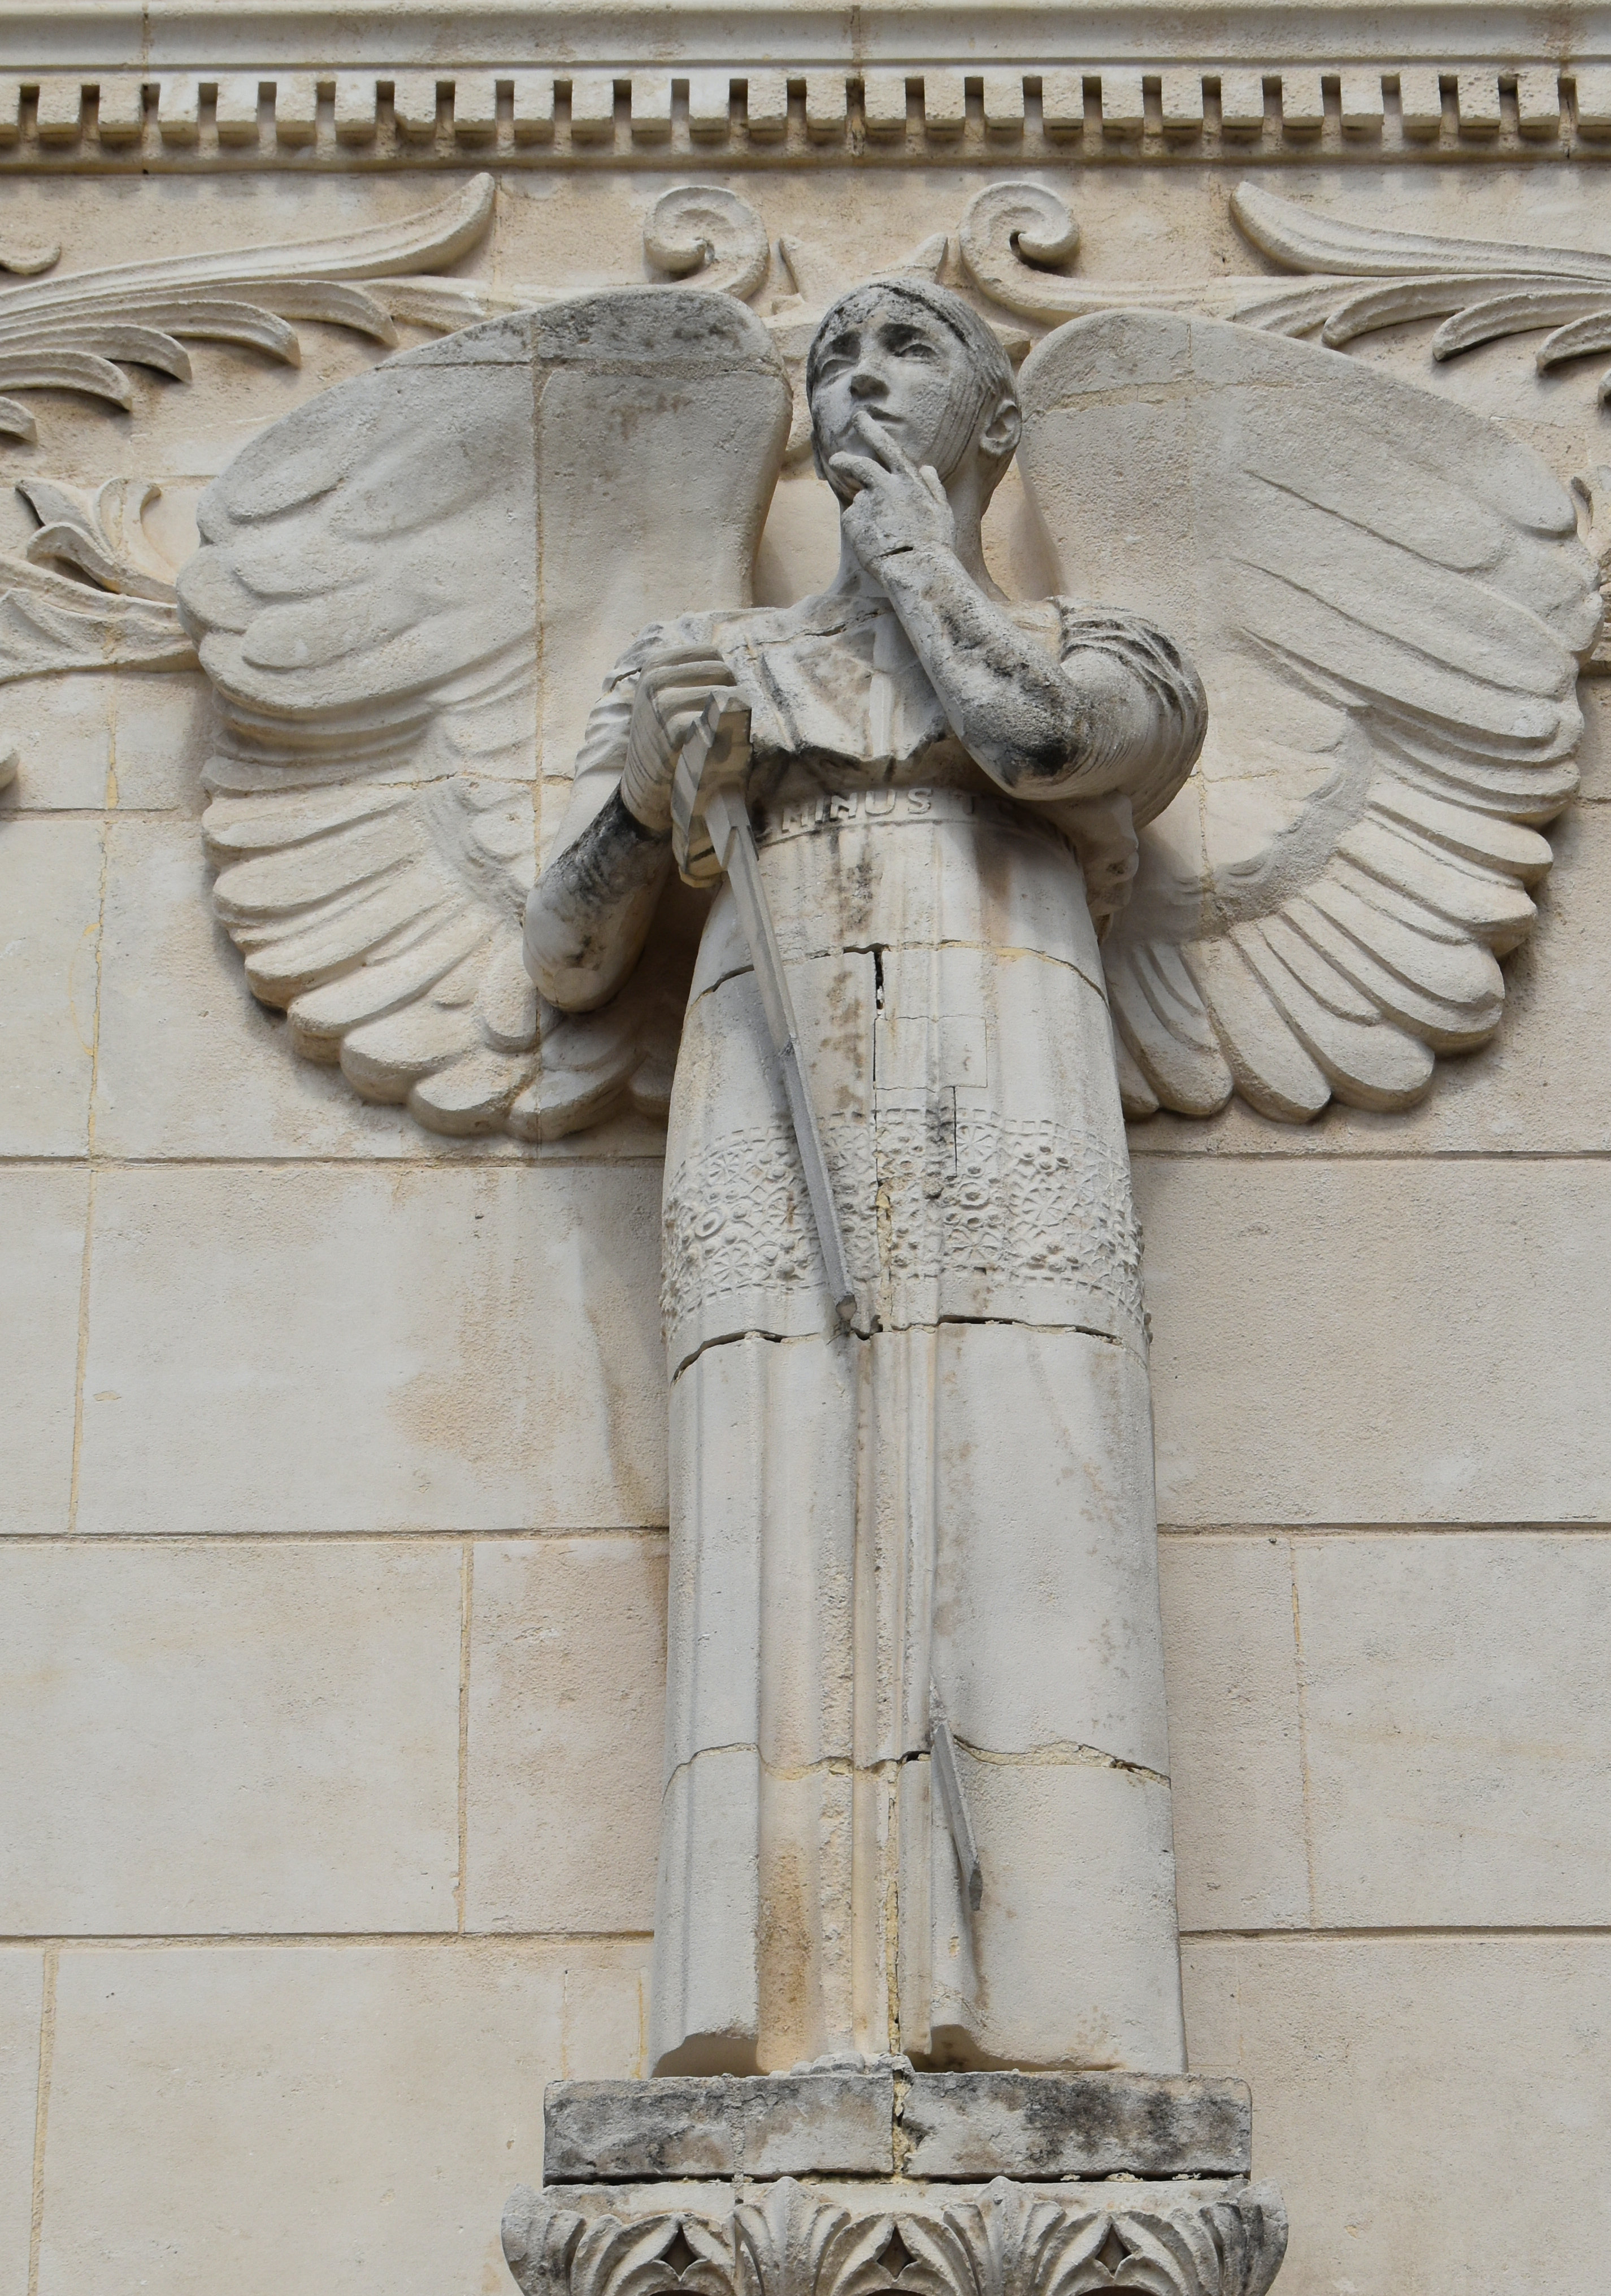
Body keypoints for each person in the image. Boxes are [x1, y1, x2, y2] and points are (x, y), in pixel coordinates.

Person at [524, 275, 1206, 2077]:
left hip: (1002, 1082)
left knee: (1020, 1472)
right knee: (781, 1478)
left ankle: (1050, 1996)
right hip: (773, 1093)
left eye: (907, 351)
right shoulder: (711, 668)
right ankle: (774, 2003)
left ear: (995, 423)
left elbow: (1043, 743)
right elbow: (568, 953)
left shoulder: (1104, 644)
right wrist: (652, 797)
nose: (857, 380)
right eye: (830, 355)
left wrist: (915, 564)